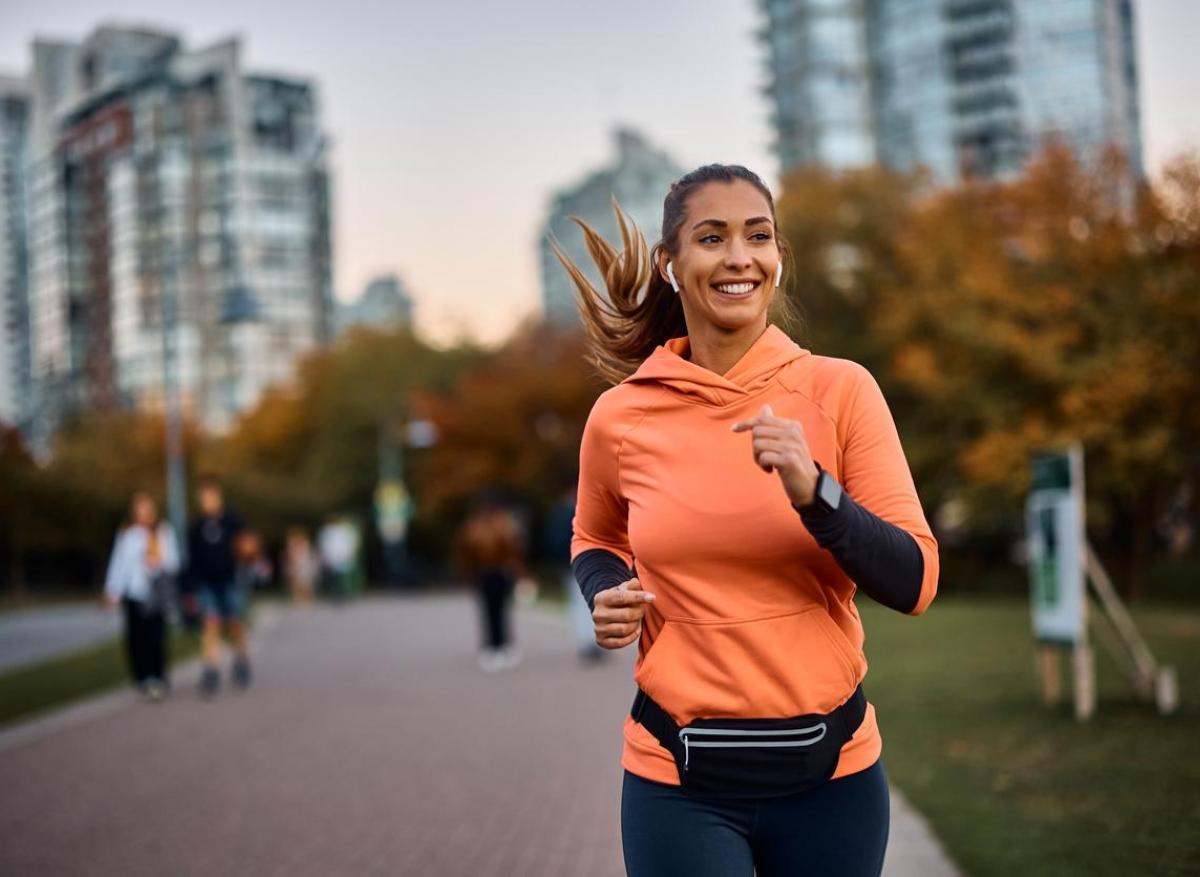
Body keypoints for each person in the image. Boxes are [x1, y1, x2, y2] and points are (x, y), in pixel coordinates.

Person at [556, 164, 939, 876]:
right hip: (678, 780)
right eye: (712, 237)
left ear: (778, 258)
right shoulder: (622, 415)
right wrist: (605, 589)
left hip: (833, 780)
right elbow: (595, 534)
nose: (739, 257)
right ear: (671, 264)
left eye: (757, 236)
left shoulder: (840, 390)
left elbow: (915, 580)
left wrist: (815, 493)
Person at [103, 492, 179, 700]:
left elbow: (173, 562)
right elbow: (119, 564)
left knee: (156, 637)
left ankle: (158, 676)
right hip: (134, 593)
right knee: (136, 638)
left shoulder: (163, 532)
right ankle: (142, 677)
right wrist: (113, 590)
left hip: (156, 594)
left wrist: (158, 561)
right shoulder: (128, 534)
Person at [186, 476, 249, 697]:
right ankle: (211, 669)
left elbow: (245, 547)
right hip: (206, 583)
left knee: (234, 622)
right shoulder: (196, 527)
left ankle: (241, 660)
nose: (208, 501)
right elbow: (192, 561)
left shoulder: (232, 522)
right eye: (204, 498)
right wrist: (189, 589)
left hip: (229, 580)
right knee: (210, 624)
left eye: (211, 497)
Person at [457, 497, 525, 673]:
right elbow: (514, 550)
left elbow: (467, 553)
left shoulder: (475, 528)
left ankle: (494, 646)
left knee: (491, 611)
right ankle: (500, 645)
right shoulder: (505, 526)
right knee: (499, 611)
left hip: (487, 574)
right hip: (497, 573)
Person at [284, 527, 319, 605]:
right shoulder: (292, 544)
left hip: (304, 565)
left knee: (306, 583)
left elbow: (308, 555)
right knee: (297, 583)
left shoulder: (305, 544)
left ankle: (307, 599)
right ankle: (298, 599)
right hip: (296, 565)